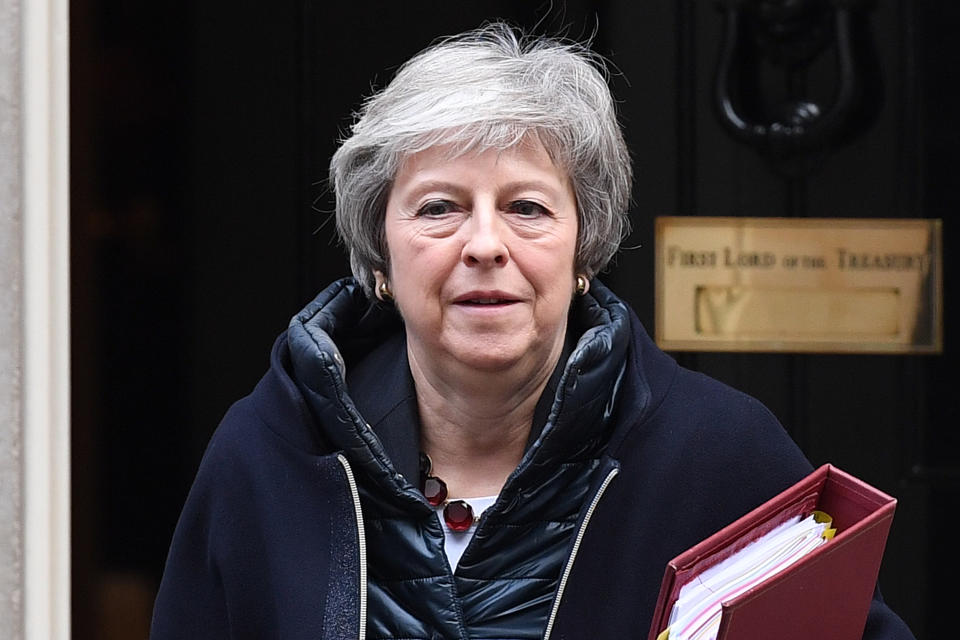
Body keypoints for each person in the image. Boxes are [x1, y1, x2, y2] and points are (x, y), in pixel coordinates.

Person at [151, 23, 915, 640]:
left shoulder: (721, 455)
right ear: (379, 253)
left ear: (585, 249)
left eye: (527, 208)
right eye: (439, 208)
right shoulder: (268, 453)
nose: (485, 244)